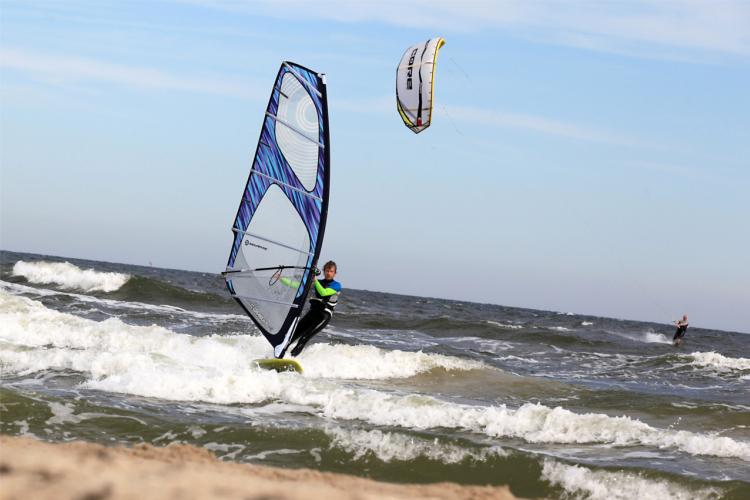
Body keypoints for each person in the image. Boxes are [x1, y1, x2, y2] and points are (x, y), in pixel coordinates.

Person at [280, 260, 341, 358]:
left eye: (331, 271)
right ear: (324, 271)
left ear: (335, 273)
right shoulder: (318, 282)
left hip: (324, 315)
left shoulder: (336, 285)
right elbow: (298, 286)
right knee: (292, 335)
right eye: (327, 271)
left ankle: (291, 358)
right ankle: (279, 355)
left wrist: (315, 280)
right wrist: (280, 279)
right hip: (312, 313)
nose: (328, 273)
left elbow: (323, 293)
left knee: (304, 338)